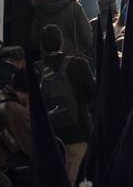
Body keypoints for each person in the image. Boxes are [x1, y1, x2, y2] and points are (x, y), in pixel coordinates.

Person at [38, 23, 95, 181]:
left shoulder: (37, 69)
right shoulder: (79, 65)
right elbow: (94, 94)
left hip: (49, 137)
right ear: (61, 42)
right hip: (78, 134)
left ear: (42, 45)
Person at [30, 0, 94, 60]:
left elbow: (34, 36)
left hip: (47, 58)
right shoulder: (74, 7)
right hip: (71, 57)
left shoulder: (41, 6)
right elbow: (86, 33)